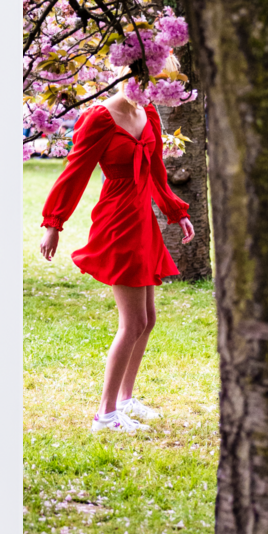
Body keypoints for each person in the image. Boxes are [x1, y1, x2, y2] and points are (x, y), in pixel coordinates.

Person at [39, 89, 195, 433]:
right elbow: (75, 172)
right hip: (118, 220)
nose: (153, 89)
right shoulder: (100, 118)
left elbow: (155, 171)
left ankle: (125, 400)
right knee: (134, 322)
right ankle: (105, 416)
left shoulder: (148, 111)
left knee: (148, 319)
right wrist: (53, 223)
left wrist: (174, 211)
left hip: (143, 220)